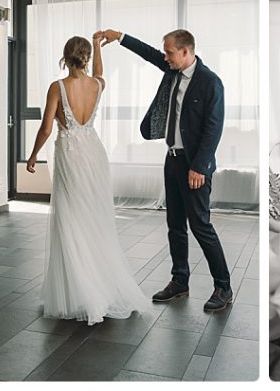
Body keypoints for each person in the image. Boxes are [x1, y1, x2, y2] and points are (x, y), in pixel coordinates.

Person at [95, 28, 233, 312]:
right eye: (166, 53)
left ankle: (223, 286)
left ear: (186, 51)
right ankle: (179, 281)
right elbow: (149, 53)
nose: (165, 57)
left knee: (201, 226)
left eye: (170, 52)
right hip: (172, 159)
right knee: (174, 226)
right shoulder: (172, 70)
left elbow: (213, 129)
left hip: (195, 165)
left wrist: (199, 167)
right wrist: (120, 37)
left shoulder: (210, 83)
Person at [26, 35, 151, 325]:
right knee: (94, 217)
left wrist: (33, 155)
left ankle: (80, 288)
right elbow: (100, 73)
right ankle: (99, 283)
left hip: (70, 152)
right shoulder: (97, 85)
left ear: (65, 57)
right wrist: (98, 46)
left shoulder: (57, 87)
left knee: (71, 218)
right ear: (84, 57)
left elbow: (46, 127)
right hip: (94, 152)